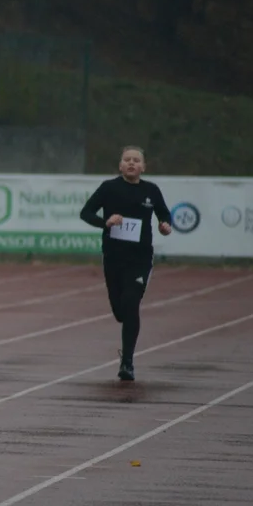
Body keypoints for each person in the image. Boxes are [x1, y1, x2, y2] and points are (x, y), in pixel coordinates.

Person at [79, 146, 172, 382]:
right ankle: (126, 343)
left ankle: (127, 361)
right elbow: (86, 213)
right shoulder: (109, 188)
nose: (131, 163)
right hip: (113, 257)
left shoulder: (151, 190)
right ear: (120, 166)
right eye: (127, 160)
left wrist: (165, 225)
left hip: (140, 259)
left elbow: (164, 215)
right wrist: (106, 222)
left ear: (143, 167)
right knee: (120, 311)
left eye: (136, 160)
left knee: (131, 304)